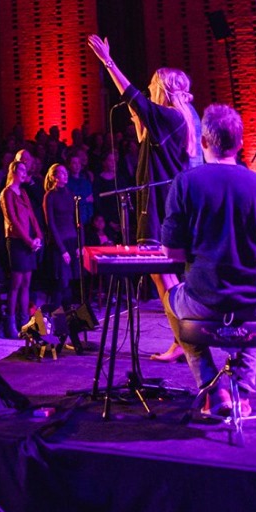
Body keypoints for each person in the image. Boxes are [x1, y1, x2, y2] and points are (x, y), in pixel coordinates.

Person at [159, 105, 256, 421]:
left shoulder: (185, 183)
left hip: (205, 301)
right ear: (240, 144)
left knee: (171, 299)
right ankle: (242, 388)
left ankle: (212, 387)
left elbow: (171, 253)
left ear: (203, 141)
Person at [86, 34, 198, 360]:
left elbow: (130, 93)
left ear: (163, 89)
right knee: (163, 275)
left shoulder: (170, 116)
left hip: (160, 206)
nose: (148, 90)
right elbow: (149, 147)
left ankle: (186, 339)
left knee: (162, 274)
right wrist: (139, 121)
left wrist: (108, 61)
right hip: (165, 202)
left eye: (152, 86)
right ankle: (183, 339)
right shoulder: (178, 117)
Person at [0, 152, 41, 332]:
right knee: (16, 283)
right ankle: (10, 323)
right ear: (14, 172)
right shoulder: (7, 193)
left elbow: (32, 215)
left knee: (26, 284)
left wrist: (38, 236)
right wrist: (29, 241)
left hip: (29, 241)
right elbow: (13, 220)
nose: (25, 173)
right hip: (17, 241)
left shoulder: (23, 192)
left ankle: (23, 321)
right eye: (22, 170)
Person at [43, 162, 80, 307]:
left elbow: (75, 220)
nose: (65, 175)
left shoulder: (70, 194)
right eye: (62, 173)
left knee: (71, 281)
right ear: (54, 177)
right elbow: (51, 224)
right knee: (61, 282)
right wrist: (62, 249)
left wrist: (79, 245)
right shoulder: (50, 196)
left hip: (72, 240)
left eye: (66, 173)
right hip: (59, 242)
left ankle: (68, 314)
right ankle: (57, 315)